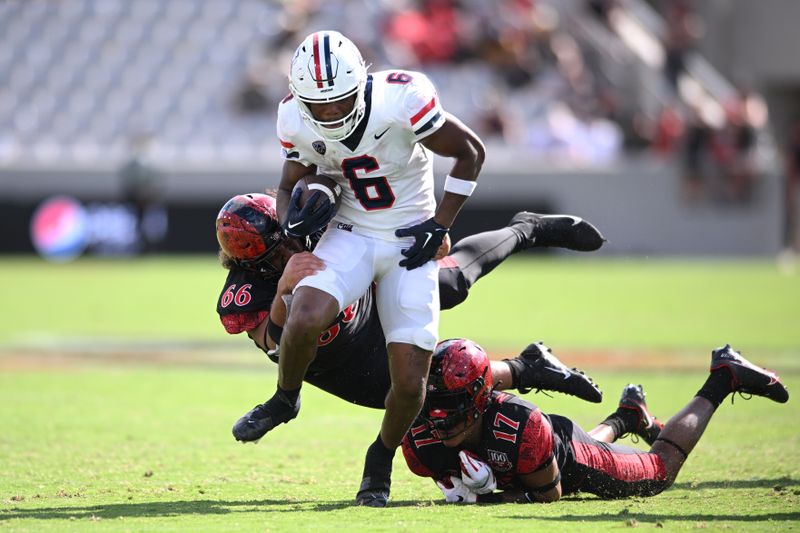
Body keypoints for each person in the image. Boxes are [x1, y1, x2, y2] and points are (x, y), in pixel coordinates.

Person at [266, 29, 491, 506]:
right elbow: (287, 183)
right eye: (318, 106)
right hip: (351, 231)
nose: (328, 113)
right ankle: (285, 398)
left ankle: (380, 455)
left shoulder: (401, 98)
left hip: (411, 237)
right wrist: (291, 223)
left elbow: (470, 152)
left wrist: (440, 221)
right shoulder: (292, 115)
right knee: (304, 315)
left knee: (410, 385)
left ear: (361, 84)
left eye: (338, 102)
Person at [217, 191, 604, 405]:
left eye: (288, 238)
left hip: (365, 301)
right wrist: (285, 288)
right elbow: (276, 345)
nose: (291, 249)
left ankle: (526, 229)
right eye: (277, 250)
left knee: (450, 282)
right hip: (341, 364)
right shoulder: (244, 294)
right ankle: (527, 368)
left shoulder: (307, 219)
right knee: (428, 392)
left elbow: (370, 221)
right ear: (249, 259)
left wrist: (426, 234)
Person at [402, 338, 789, 504]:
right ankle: (628, 416)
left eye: (449, 402)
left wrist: (482, 499)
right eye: (431, 400)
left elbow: (548, 494)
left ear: (479, 397)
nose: (437, 415)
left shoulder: (520, 425)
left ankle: (724, 376)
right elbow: (446, 468)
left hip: (568, 463)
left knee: (657, 474)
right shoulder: (419, 434)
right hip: (538, 454)